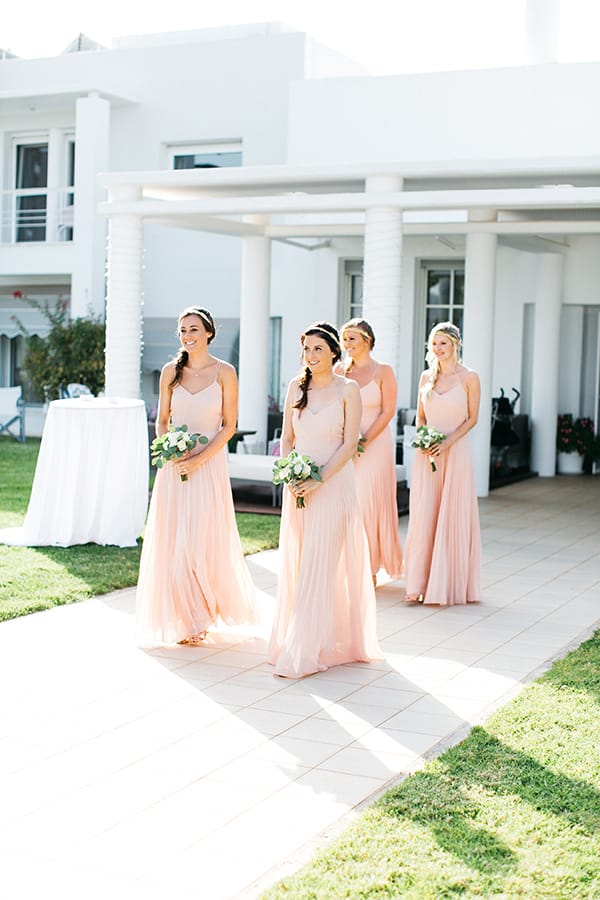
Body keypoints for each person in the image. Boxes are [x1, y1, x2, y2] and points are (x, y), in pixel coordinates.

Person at [136, 306, 257, 645]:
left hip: (209, 466)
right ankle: (184, 616)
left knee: (201, 538)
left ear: (209, 333)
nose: (187, 336)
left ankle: (202, 613)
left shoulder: (225, 372)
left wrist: (200, 458)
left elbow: (228, 425)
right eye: (183, 331)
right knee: (175, 539)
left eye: (193, 329)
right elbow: (161, 420)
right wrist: (171, 450)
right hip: (175, 468)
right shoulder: (170, 372)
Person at [268, 322, 382, 678]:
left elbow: (350, 444)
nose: (311, 355)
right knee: (301, 562)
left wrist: (318, 480)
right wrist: (291, 472)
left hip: (333, 487)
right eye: (306, 349)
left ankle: (306, 647)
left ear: (334, 352)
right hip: (298, 487)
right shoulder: (294, 387)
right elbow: (286, 437)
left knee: (321, 563)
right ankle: (308, 636)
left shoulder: (348, 389)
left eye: (318, 349)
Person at [404, 321, 481, 605]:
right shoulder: (426, 377)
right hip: (427, 455)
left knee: (452, 513)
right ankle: (418, 583)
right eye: (434, 344)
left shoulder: (470, 377)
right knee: (425, 514)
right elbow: (420, 416)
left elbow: (473, 418)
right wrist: (425, 438)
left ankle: (449, 583)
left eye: (443, 343)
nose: (438, 349)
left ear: (455, 345)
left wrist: (447, 443)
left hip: (456, 453)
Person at [339, 318, 403, 585]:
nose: (347, 344)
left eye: (352, 338)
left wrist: (363, 440)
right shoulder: (340, 372)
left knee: (369, 502)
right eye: (345, 339)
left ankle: (370, 569)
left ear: (367, 340)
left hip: (374, 446)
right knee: (347, 504)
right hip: (345, 446)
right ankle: (348, 566)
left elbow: (388, 410)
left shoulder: (383, 371)